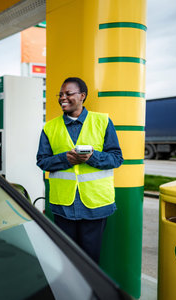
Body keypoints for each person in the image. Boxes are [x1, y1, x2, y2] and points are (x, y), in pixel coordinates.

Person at [36, 77, 123, 263]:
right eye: (60, 94)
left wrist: (93, 157)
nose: (62, 98)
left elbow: (116, 158)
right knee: (65, 258)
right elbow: (42, 161)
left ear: (82, 96)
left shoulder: (103, 121)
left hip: (95, 205)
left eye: (68, 93)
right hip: (63, 206)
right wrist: (64, 159)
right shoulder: (50, 127)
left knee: (90, 260)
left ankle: (90, 292)